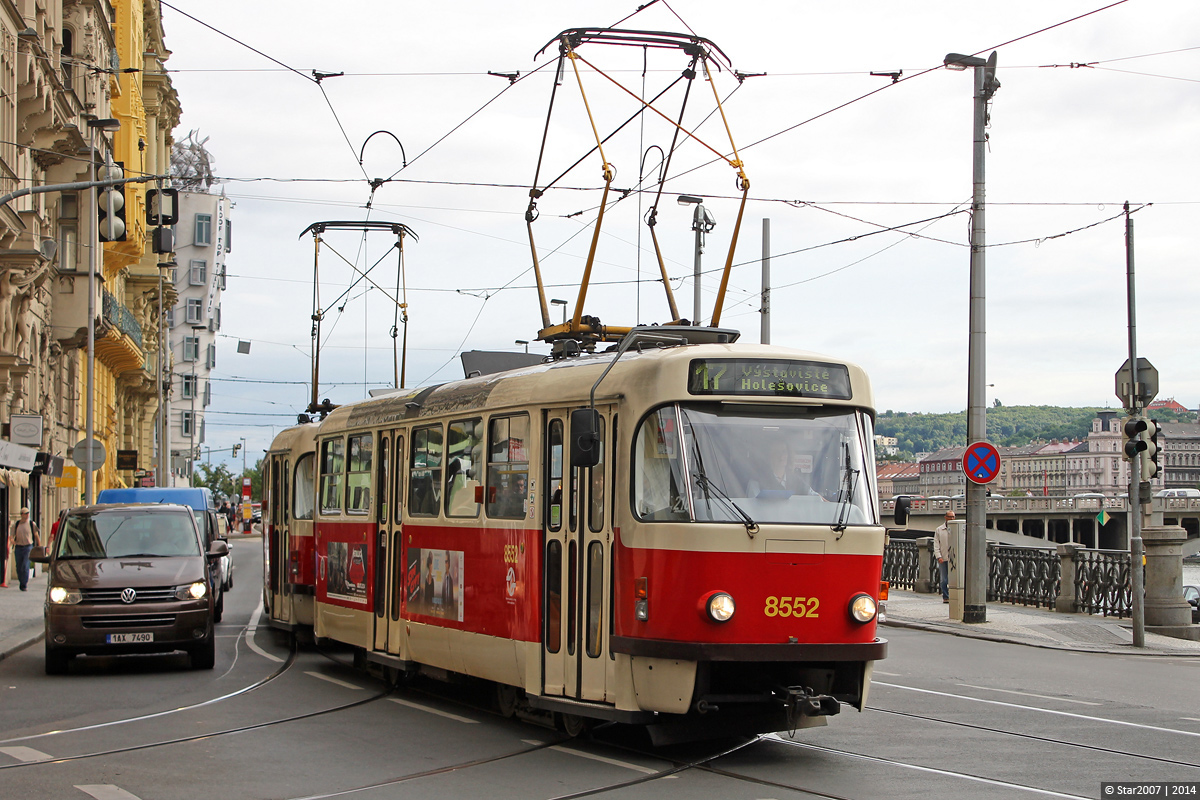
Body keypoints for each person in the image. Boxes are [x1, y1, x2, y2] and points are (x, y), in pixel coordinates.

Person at [10, 507, 40, 591]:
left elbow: (36, 535)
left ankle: (24, 584)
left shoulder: (31, 524)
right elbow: (11, 535)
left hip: (28, 547)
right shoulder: (16, 524)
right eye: (25, 513)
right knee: (19, 566)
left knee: (25, 565)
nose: (27, 515)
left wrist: (39, 546)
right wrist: (12, 540)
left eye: (28, 513)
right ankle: (21, 581)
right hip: (18, 547)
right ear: (21, 514)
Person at [933, 510, 954, 603]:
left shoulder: (956, 528)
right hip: (944, 558)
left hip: (954, 558)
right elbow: (936, 544)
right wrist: (938, 556)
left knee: (954, 579)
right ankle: (946, 596)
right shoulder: (939, 530)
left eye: (953, 517)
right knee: (944, 579)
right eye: (950, 517)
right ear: (945, 517)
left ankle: (954, 596)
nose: (952, 519)